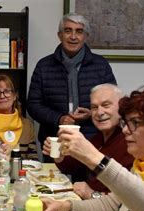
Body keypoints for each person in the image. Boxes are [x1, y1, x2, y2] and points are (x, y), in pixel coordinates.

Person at [27, 12, 116, 160]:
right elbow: (33, 105)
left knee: (88, 183)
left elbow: (112, 104)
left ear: (85, 36)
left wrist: (92, 113)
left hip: (92, 139)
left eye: (79, 31)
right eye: (68, 31)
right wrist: (59, 119)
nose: (73, 37)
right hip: (55, 139)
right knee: (52, 181)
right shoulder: (44, 66)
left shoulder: (101, 65)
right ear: (60, 35)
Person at [43, 83, 133, 199]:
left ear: (121, 107)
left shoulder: (130, 143)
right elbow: (73, 167)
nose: (99, 112)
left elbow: (128, 200)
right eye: (94, 107)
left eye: (106, 105)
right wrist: (60, 156)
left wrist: (91, 194)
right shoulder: (97, 139)